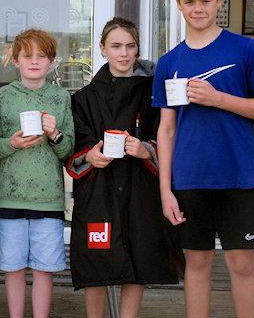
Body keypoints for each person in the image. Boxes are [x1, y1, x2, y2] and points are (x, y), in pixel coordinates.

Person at [153, 0, 254, 318]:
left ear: (219, 2)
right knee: (196, 265)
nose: (198, 9)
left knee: (242, 266)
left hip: (239, 177)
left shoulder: (244, 50)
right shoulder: (169, 63)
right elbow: (166, 130)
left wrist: (219, 99)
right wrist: (165, 190)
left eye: (205, 1)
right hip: (190, 179)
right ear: (179, 4)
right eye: (190, 1)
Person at [65, 17, 181, 318]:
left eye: (130, 46)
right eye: (116, 46)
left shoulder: (153, 94)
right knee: (96, 259)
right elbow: (74, 147)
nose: (124, 53)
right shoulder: (83, 98)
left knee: (138, 257)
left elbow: (166, 136)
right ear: (102, 49)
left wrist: (145, 149)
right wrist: (91, 156)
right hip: (98, 190)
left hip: (141, 188)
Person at [0, 29, 74, 318]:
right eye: (27, 56)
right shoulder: (2, 97)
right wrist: (12, 143)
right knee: (13, 267)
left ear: (51, 62)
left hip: (48, 198)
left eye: (42, 56)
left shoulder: (61, 98)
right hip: (10, 196)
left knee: (45, 269)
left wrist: (55, 133)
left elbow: (68, 150)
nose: (34, 61)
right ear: (16, 61)